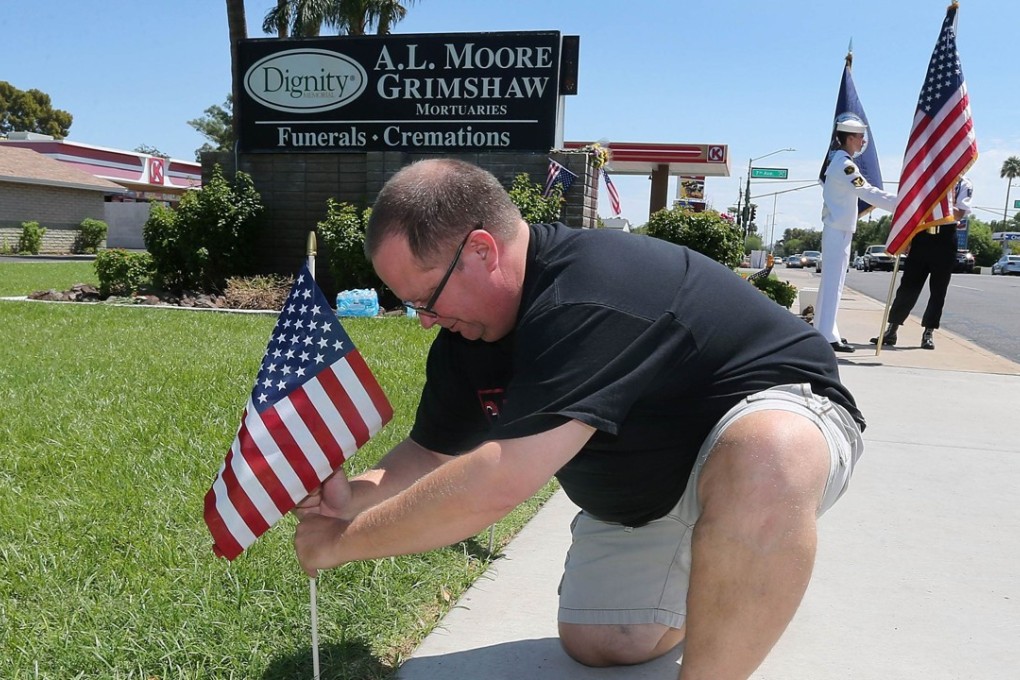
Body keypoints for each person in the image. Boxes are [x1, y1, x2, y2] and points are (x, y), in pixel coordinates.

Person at [293, 158, 866, 679]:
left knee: (768, 451)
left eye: (427, 298)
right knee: (602, 643)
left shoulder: (591, 293)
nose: (423, 320)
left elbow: (496, 484)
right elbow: (430, 452)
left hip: (778, 425)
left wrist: (341, 543)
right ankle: (728, 575)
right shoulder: (467, 334)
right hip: (650, 497)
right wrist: (357, 498)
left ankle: (748, 563)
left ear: (482, 251)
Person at [815, 115, 897, 352]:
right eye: (860, 137)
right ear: (849, 138)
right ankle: (828, 336)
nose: (863, 142)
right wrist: (904, 203)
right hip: (837, 229)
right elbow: (868, 193)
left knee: (833, 282)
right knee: (833, 284)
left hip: (838, 228)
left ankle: (826, 330)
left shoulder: (842, 161)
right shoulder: (845, 165)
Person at [871, 175, 974, 350]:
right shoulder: (928, 179)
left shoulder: (963, 184)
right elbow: (913, 209)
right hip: (921, 236)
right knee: (908, 286)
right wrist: (908, 239)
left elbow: (959, 212)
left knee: (938, 290)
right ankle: (892, 329)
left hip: (945, 239)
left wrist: (937, 206)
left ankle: (928, 332)